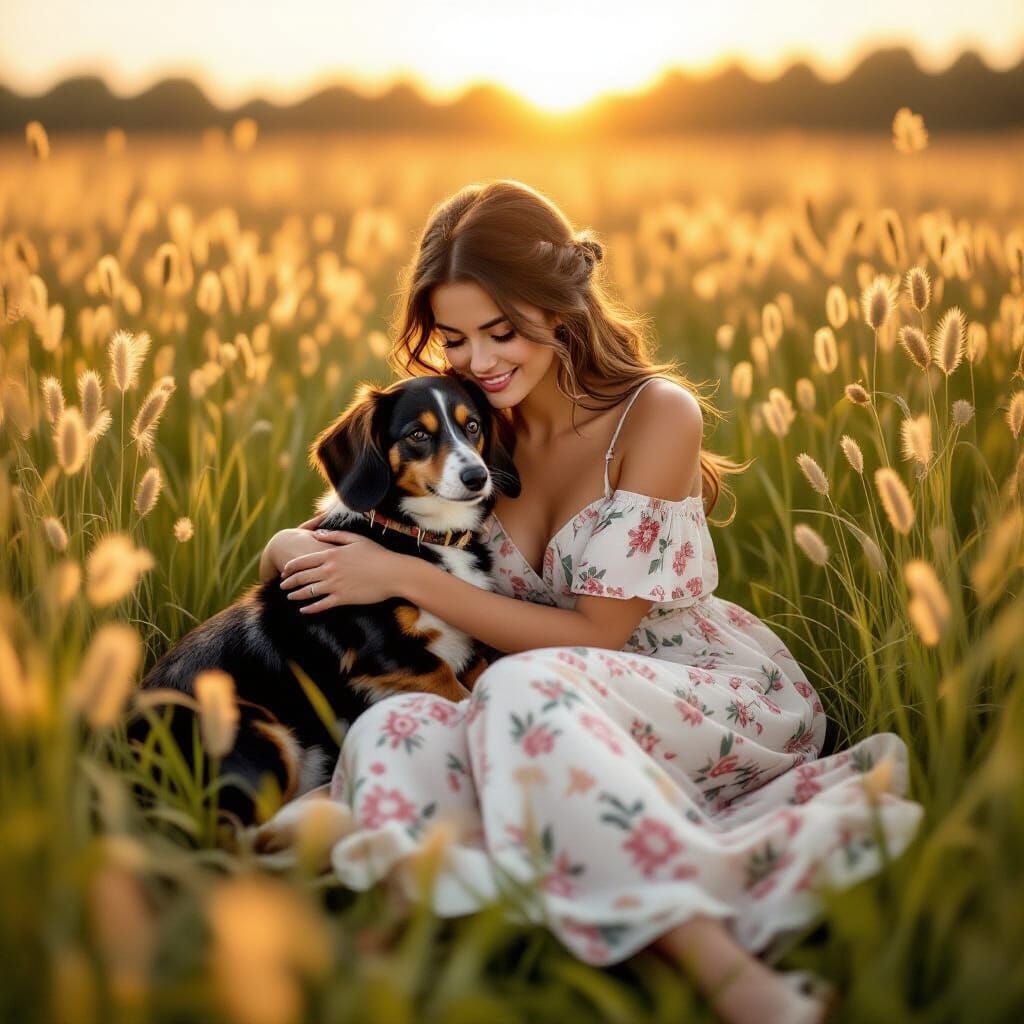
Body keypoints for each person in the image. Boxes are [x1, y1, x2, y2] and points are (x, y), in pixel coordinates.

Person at [258, 180, 923, 1024]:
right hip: (518, 700)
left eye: (502, 331)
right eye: (455, 338)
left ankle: (720, 971)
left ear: (559, 306)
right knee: (395, 725)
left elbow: (599, 636)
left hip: (686, 690)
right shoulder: (468, 421)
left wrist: (408, 579)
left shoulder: (654, 415)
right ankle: (422, 941)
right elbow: (311, 535)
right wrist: (304, 553)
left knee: (516, 687)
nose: (479, 360)